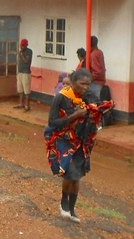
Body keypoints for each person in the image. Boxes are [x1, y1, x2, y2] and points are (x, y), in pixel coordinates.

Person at [45, 69, 113, 223]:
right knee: (70, 174)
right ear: (73, 82)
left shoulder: (90, 96)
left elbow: (99, 112)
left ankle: (72, 208)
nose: (86, 87)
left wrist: (102, 110)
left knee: (77, 177)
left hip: (84, 141)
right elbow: (52, 122)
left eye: (88, 84)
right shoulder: (61, 98)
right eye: (82, 84)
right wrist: (74, 116)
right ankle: (64, 202)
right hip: (65, 141)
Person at [15, 38, 32, 111]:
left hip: (26, 73)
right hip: (20, 72)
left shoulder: (29, 51)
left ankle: (27, 105)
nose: (21, 47)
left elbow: (26, 61)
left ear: (26, 45)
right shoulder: (20, 51)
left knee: (26, 90)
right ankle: (21, 104)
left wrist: (22, 55)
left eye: (23, 46)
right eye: (21, 45)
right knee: (20, 89)